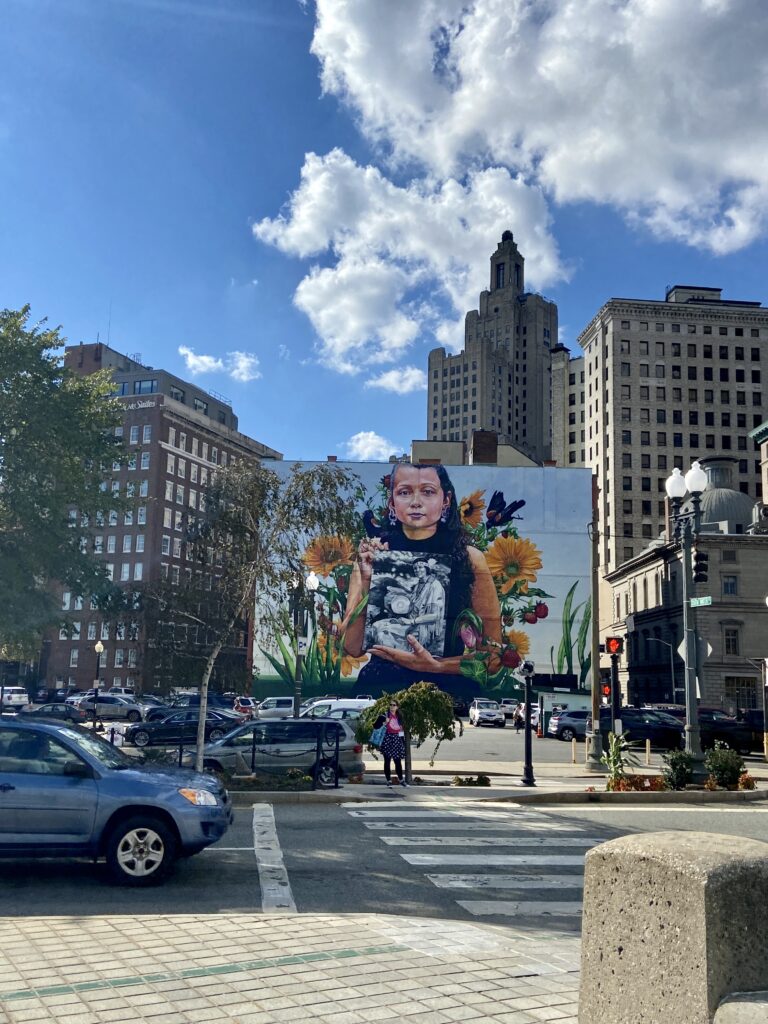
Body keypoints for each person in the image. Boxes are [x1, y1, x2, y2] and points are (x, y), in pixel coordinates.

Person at [343, 463, 501, 697]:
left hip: (446, 696)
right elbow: (352, 646)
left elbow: (492, 658)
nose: (416, 502)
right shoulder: (374, 555)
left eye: (428, 492)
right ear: (392, 503)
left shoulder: (471, 560)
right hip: (382, 691)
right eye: (405, 492)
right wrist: (366, 582)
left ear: (445, 500)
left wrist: (434, 666)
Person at [373, 701, 407, 787]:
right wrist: (384, 723)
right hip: (387, 739)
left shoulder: (399, 717)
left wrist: (402, 742)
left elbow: (401, 730)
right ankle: (388, 781)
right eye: (390, 705)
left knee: (397, 761)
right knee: (387, 761)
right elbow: (375, 726)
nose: (392, 706)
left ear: (397, 707)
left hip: (397, 740)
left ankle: (401, 780)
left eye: (394, 705)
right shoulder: (384, 716)